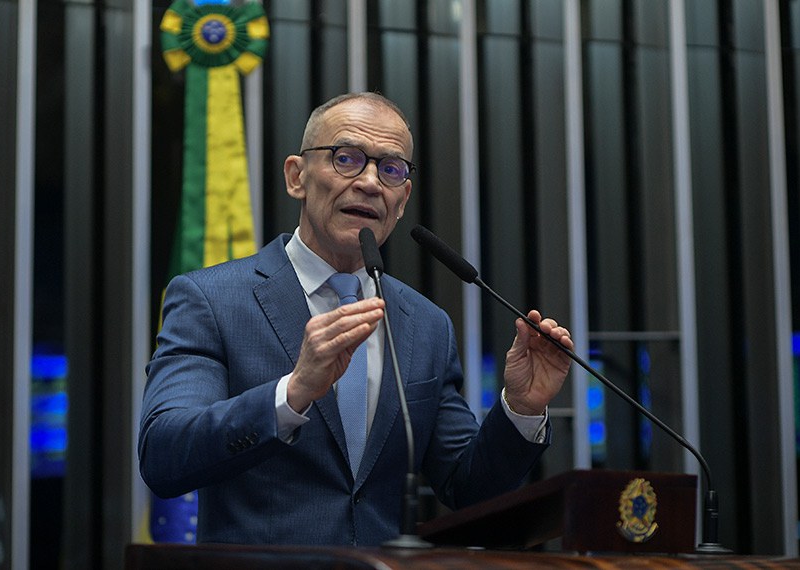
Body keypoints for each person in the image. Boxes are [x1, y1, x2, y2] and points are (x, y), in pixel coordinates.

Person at [138, 92, 573, 546]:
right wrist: (294, 392)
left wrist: (521, 408)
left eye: (390, 169)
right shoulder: (211, 299)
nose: (369, 182)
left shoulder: (425, 324)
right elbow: (164, 456)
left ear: (402, 199)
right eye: (346, 158)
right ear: (296, 177)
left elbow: (468, 489)